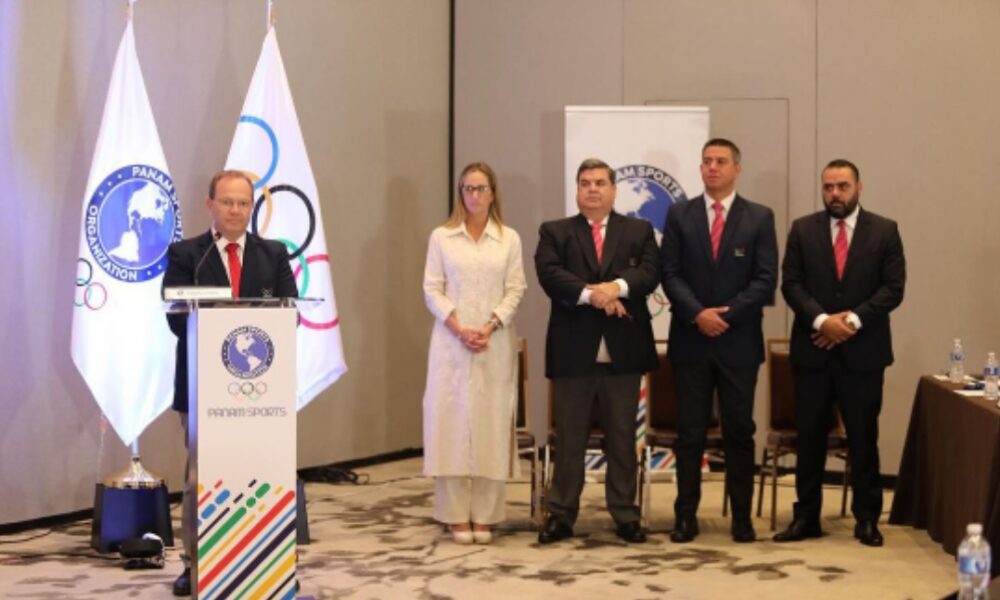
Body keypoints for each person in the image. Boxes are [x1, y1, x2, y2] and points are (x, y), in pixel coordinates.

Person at [162, 170, 298, 596]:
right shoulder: (187, 254)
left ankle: (265, 558)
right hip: (201, 386)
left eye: (242, 203)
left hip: (261, 390)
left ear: (251, 207)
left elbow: (289, 314)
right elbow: (174, 319)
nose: (235, 210)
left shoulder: (273, 254)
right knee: (199, 477)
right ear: (211, 205)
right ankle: (195, 564)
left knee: (259, 470)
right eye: (227, 202)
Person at [773, 159, 905, 547]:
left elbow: (893, 289)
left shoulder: (885, 230)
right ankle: (806, 517)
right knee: (810, 439)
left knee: (863, 437)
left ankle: (867, 519)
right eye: (828, 187)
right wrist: (821, 321)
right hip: (813, 351)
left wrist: (850, 322)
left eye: (842, 186)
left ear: (859, 188)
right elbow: (791, 284)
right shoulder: (802, 229)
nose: (835, 194)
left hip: (863, 355)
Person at [534, 158, 660, 545]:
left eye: (600, 183)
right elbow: (550, 274)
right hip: (573, 354)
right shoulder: (555, 231)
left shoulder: (638, 230)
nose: (592, 189)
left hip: (624, 352)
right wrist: (594, 296)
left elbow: (650, 273)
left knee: (622, 438)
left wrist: (615, 288)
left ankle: (625, 514)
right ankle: (561, 515)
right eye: (585, 183)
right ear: (577, 190)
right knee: (569, 439)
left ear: (614, 190)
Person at [660, 138, 778, 544]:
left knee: (739, 432)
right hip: (691, 340)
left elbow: (765, 280)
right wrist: (699, 314)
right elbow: (669, 273)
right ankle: (685, 517)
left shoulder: (759, 217)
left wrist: (725, 316)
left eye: (721, 161)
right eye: (707, 161)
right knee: (689, 434)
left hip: (738, 342)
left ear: (737, 169)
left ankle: (741, 518)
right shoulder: (679, 214)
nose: (712, 167)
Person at [422, 162, 527, 545]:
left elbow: (516, 288)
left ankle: (486, 515)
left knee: (491, 425)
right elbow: (432, 288)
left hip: (493, 342)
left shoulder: (508, 238)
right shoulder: (442, 237)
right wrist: (458, 327)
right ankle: (454, 515)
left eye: (481, 188)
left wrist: (490, 325)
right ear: (460, 193)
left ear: (493, 193)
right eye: (468, 188)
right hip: (451, 343)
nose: (474, 195)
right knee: (450, 425)